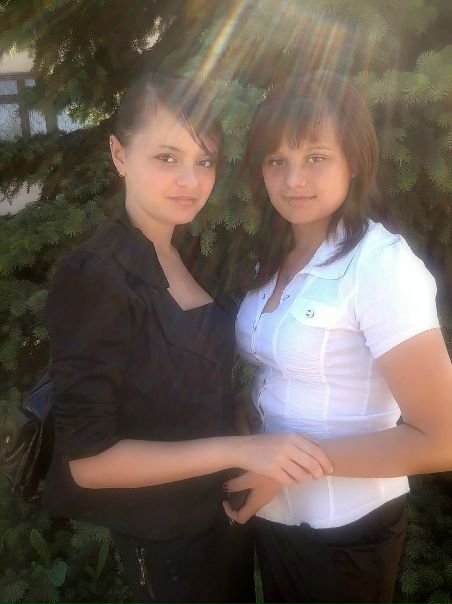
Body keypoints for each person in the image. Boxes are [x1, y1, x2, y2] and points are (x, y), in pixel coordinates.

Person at [42, 73, 334, 604]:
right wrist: (242, 449)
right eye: (166, 157)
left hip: (222, 521)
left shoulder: (189, 254)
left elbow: (193, 384)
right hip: (167, 547)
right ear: (119, 155)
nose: (190, 180)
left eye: (204, 161)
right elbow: (87, 463)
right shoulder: (95, 276)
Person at [227, 71, 452, 604]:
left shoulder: (380, 267)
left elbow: (443, 439)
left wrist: (284, 469)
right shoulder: (273, 259)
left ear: (354, 161)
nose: (293, 179)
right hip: (274, 518)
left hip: (347, 533)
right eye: (276, 161)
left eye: (316, 157)